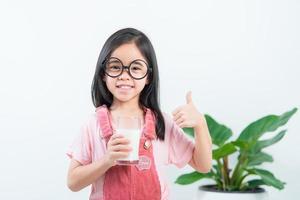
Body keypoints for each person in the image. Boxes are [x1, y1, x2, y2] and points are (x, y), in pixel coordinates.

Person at [66, 27, 212, 200]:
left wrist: (200, 124)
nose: (124, 76)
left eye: (135, 68)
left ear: (148, 76)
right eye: (115, 67)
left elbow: (203, 165)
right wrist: (107, 160)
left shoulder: (161, 123)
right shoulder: (93, 125)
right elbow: (73, 182)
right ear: (103, 73)